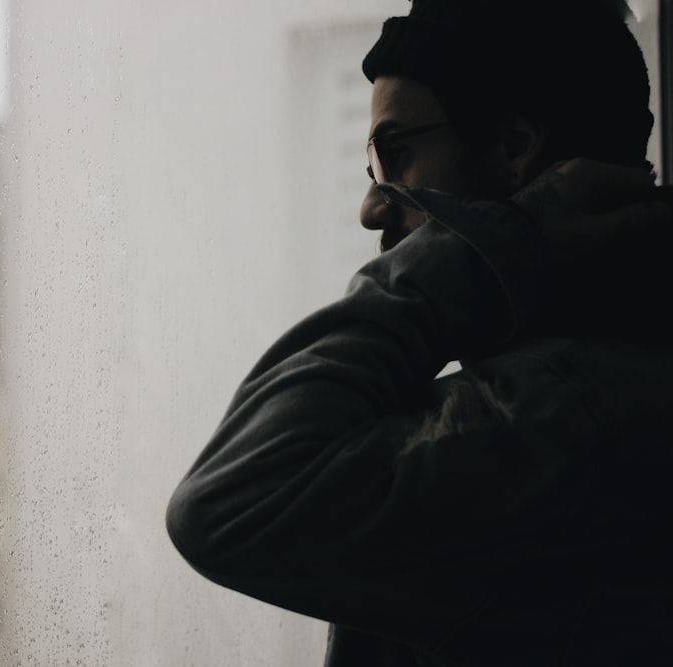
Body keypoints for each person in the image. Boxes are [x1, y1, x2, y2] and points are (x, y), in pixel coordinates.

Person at [165, 0, 673, 664]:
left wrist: (495, 248)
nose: (372, 204)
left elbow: (227, 503)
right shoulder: (583, 379)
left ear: (516, 146)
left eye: (396, 152)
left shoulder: (570, 412)